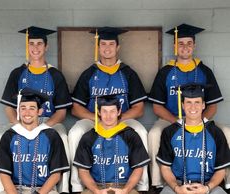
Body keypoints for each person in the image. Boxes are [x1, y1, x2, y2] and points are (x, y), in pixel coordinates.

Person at [147, 23, 230, 192]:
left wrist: (201, 121)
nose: (185, 47)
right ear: (175, 45)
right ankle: (158, 183)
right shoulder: (166, 71)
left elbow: (212, 105)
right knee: (155, 133)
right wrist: (178, 122)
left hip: (200, 118)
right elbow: (157, 107)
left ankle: (225, 181)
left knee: (226, 132)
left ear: (194, 45)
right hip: (170, 119)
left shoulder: (204, 70)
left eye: (188, 43)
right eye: (181, 43)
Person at [68, 26, 149, 192]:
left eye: (111, 44)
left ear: (117, 47)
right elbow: (76, 109)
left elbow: (139, 108)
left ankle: (142, 185)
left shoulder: (128, 73)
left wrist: (118, 119)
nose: (107, 48)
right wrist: (97, 119)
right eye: (103, 44)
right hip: (94, 120)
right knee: (75, 133)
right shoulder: (89, 73)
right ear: (98, 48)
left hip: (123, 119)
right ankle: (77, 185)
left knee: (141, 132)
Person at [0, 26, 72, 193]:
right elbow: (9, 107)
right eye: (31, 44)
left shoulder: (55, 75)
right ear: (27, 47)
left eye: (39, 44)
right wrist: (18, 126)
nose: (35, 48)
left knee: (62, 137)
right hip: (20, 120)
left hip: (48, 121)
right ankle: (0, 188)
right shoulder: (17, 73)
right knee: (0, 138)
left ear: (46, 47)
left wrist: (43, 127)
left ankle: (62, 188)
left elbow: (61, 112)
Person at [156, 83, 230, 194]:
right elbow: (165, 168)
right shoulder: (170, 132)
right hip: (178, 185)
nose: (193, 107)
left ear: (203, 105)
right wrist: (177, 188)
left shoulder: (215, 133)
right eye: (188, 102)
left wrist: (207, 188)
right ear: (182, 105)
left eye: (197, 102)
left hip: (208, 186)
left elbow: (220, 170)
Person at [0, 88, 70, 194]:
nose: (27, 112)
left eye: (32, 108)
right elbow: (4, 174)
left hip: (45, 190)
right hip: (14, 189)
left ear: (40, 111)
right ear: (18, 111)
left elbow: (56, 174)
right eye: (23, 108)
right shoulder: (9, 136)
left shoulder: (51, 136)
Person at [73, 95, 150, 194]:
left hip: (124, 186)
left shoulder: (131, 135)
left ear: (118, 112)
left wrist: (126, 190)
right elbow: (83, 171)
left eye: (112, 111)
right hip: (96, 186)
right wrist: (96, 191)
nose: (108, 116)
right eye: (104, 111)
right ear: (99, 112)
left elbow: (138, 168)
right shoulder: (89, 137)